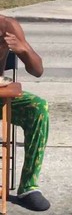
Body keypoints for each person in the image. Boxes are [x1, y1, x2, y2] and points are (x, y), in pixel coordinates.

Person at [0, 15, 50, 211]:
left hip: (1, 95)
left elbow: (38, 70)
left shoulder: (7, 26)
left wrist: (24, 50)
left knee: (39, 108)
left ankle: (28, 187)